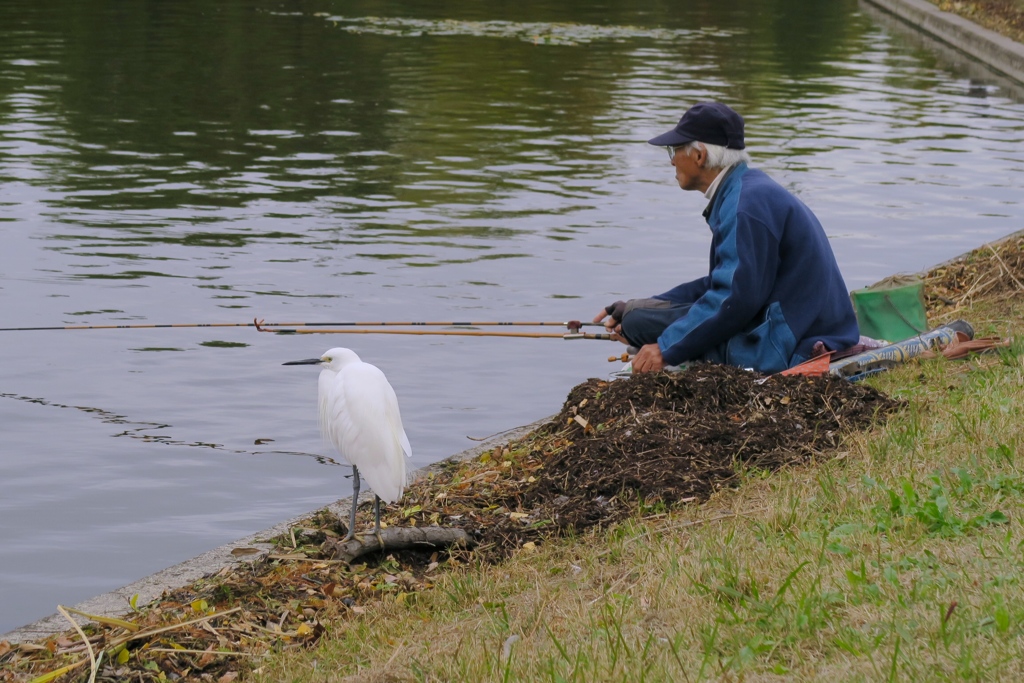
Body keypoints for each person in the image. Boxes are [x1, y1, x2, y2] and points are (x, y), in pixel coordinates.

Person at [594, 101, 859, 375]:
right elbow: (722, 283)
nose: (672, 160)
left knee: (642, 326)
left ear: (699, 156)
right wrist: (639, 307)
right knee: (637, 317)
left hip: (792, 341)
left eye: (674, 150)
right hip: (790, 320)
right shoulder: (745, 190)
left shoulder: (745, 204)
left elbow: (734, 299)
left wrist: (665, 348)